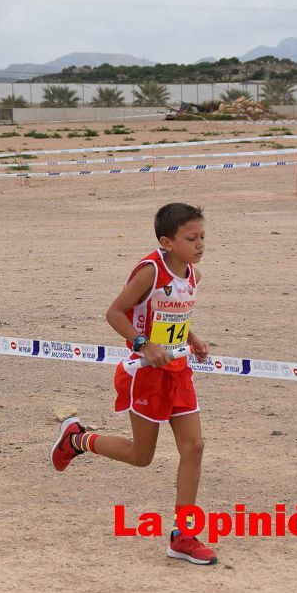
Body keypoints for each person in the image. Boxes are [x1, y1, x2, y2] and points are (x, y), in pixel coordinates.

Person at [50, 203, 217, 564]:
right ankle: (78, 439)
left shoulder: (193, 275)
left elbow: (173, 315)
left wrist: (192, 338)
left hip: (179, 372)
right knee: (142, 456)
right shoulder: (149, 272)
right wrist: (144, 344)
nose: (200, 244)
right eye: (191, 238)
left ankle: (183, 536)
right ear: (167, 241)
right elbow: (115, 313)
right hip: (146, 373)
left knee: (195, 447)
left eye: (203, 236)